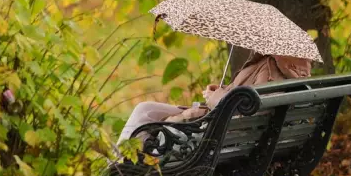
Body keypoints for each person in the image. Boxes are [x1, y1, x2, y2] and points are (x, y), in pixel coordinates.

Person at [117, 52, 312, 145]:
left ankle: (119, 173)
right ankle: (120, 168)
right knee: (146, 110)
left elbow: (249, 114)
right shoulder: (278, 65)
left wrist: (215, 97)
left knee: (153, 122)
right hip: (219, 123)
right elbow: (245, 98)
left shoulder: (272, 70)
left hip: (218, 134)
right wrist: (222, 90)